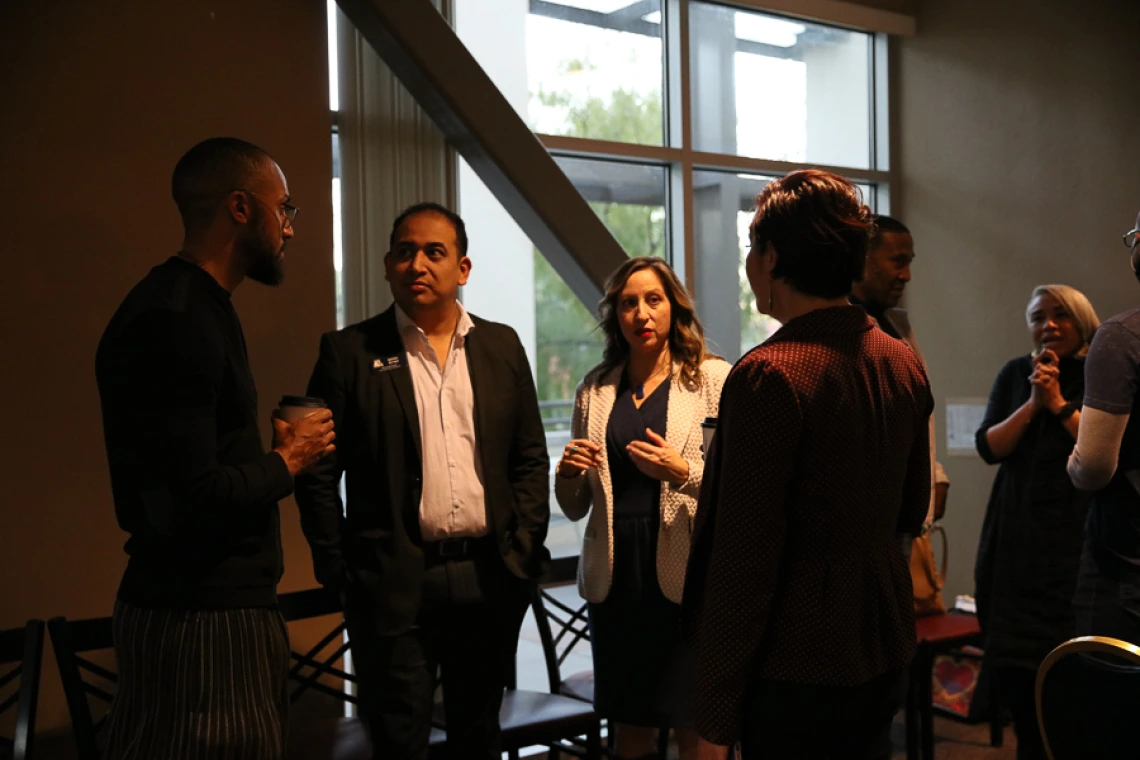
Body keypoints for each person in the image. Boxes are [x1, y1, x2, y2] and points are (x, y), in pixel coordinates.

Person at [95, 137, 336, 759]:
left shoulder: (194, 306)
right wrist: (289, 462)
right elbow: (189, 496)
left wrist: (271, 459)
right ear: (239, 208)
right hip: (200, 614)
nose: (289, 226)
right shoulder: (176, 319)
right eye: (283, 208)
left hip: (202, 603)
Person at [682, 170, 933, 760]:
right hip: (881, 635)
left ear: (771, 257)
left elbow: (746, 551)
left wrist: (716, 709)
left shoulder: (773, 372)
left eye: (751, 247)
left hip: (796, 656)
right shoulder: (901, 359)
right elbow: (912, 505)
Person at [294, 202, 550, 759]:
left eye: (435, 252)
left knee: (478, 736)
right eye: (405, 252)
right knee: (398, 741)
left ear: (462, 268)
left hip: (489, 574)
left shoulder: (501, 346)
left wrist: (523, 549)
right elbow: (315, 470)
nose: (418, 264)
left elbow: (529, 458)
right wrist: (336, 567)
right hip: (391, 582)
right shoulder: (348, 353)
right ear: (387, 265)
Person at [554, 257, 730, 760]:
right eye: (629, 303)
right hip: (617, 579)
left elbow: (737, 484)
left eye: (654, 300)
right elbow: (573, 505)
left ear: (675, 308)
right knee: (628, 724)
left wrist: (683, 472)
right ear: (616, 316)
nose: (641, 313)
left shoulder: (713, 380)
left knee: (696, 726)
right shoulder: (595, 388)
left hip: (688, 576)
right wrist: (566, 473)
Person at [974, 285, 1099, 760]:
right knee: (1022, 685)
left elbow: (1100, 451)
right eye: (1038, 316)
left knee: (1075, 691)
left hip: (1077, 544)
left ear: (1082, 320)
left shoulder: (1098, 371)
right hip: (1016, 544)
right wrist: (1033, 401)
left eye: (1060, 315)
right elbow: (990, 447)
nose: (1049, 325)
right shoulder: (1015, 373)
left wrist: (1060, 403)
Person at [851, 215, 950, 530]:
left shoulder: (895, 326)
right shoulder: (845, 329)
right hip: (868, 520)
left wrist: (933, 474)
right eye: (897, 261)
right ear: (862, 259)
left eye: (909, 262)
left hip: (902, 515)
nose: (906, 275)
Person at [1068, 211, 1140, 647]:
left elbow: (1093, 466)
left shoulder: (1122, 337)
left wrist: (1074, 465)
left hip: (1128, 564)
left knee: (1112, 711)